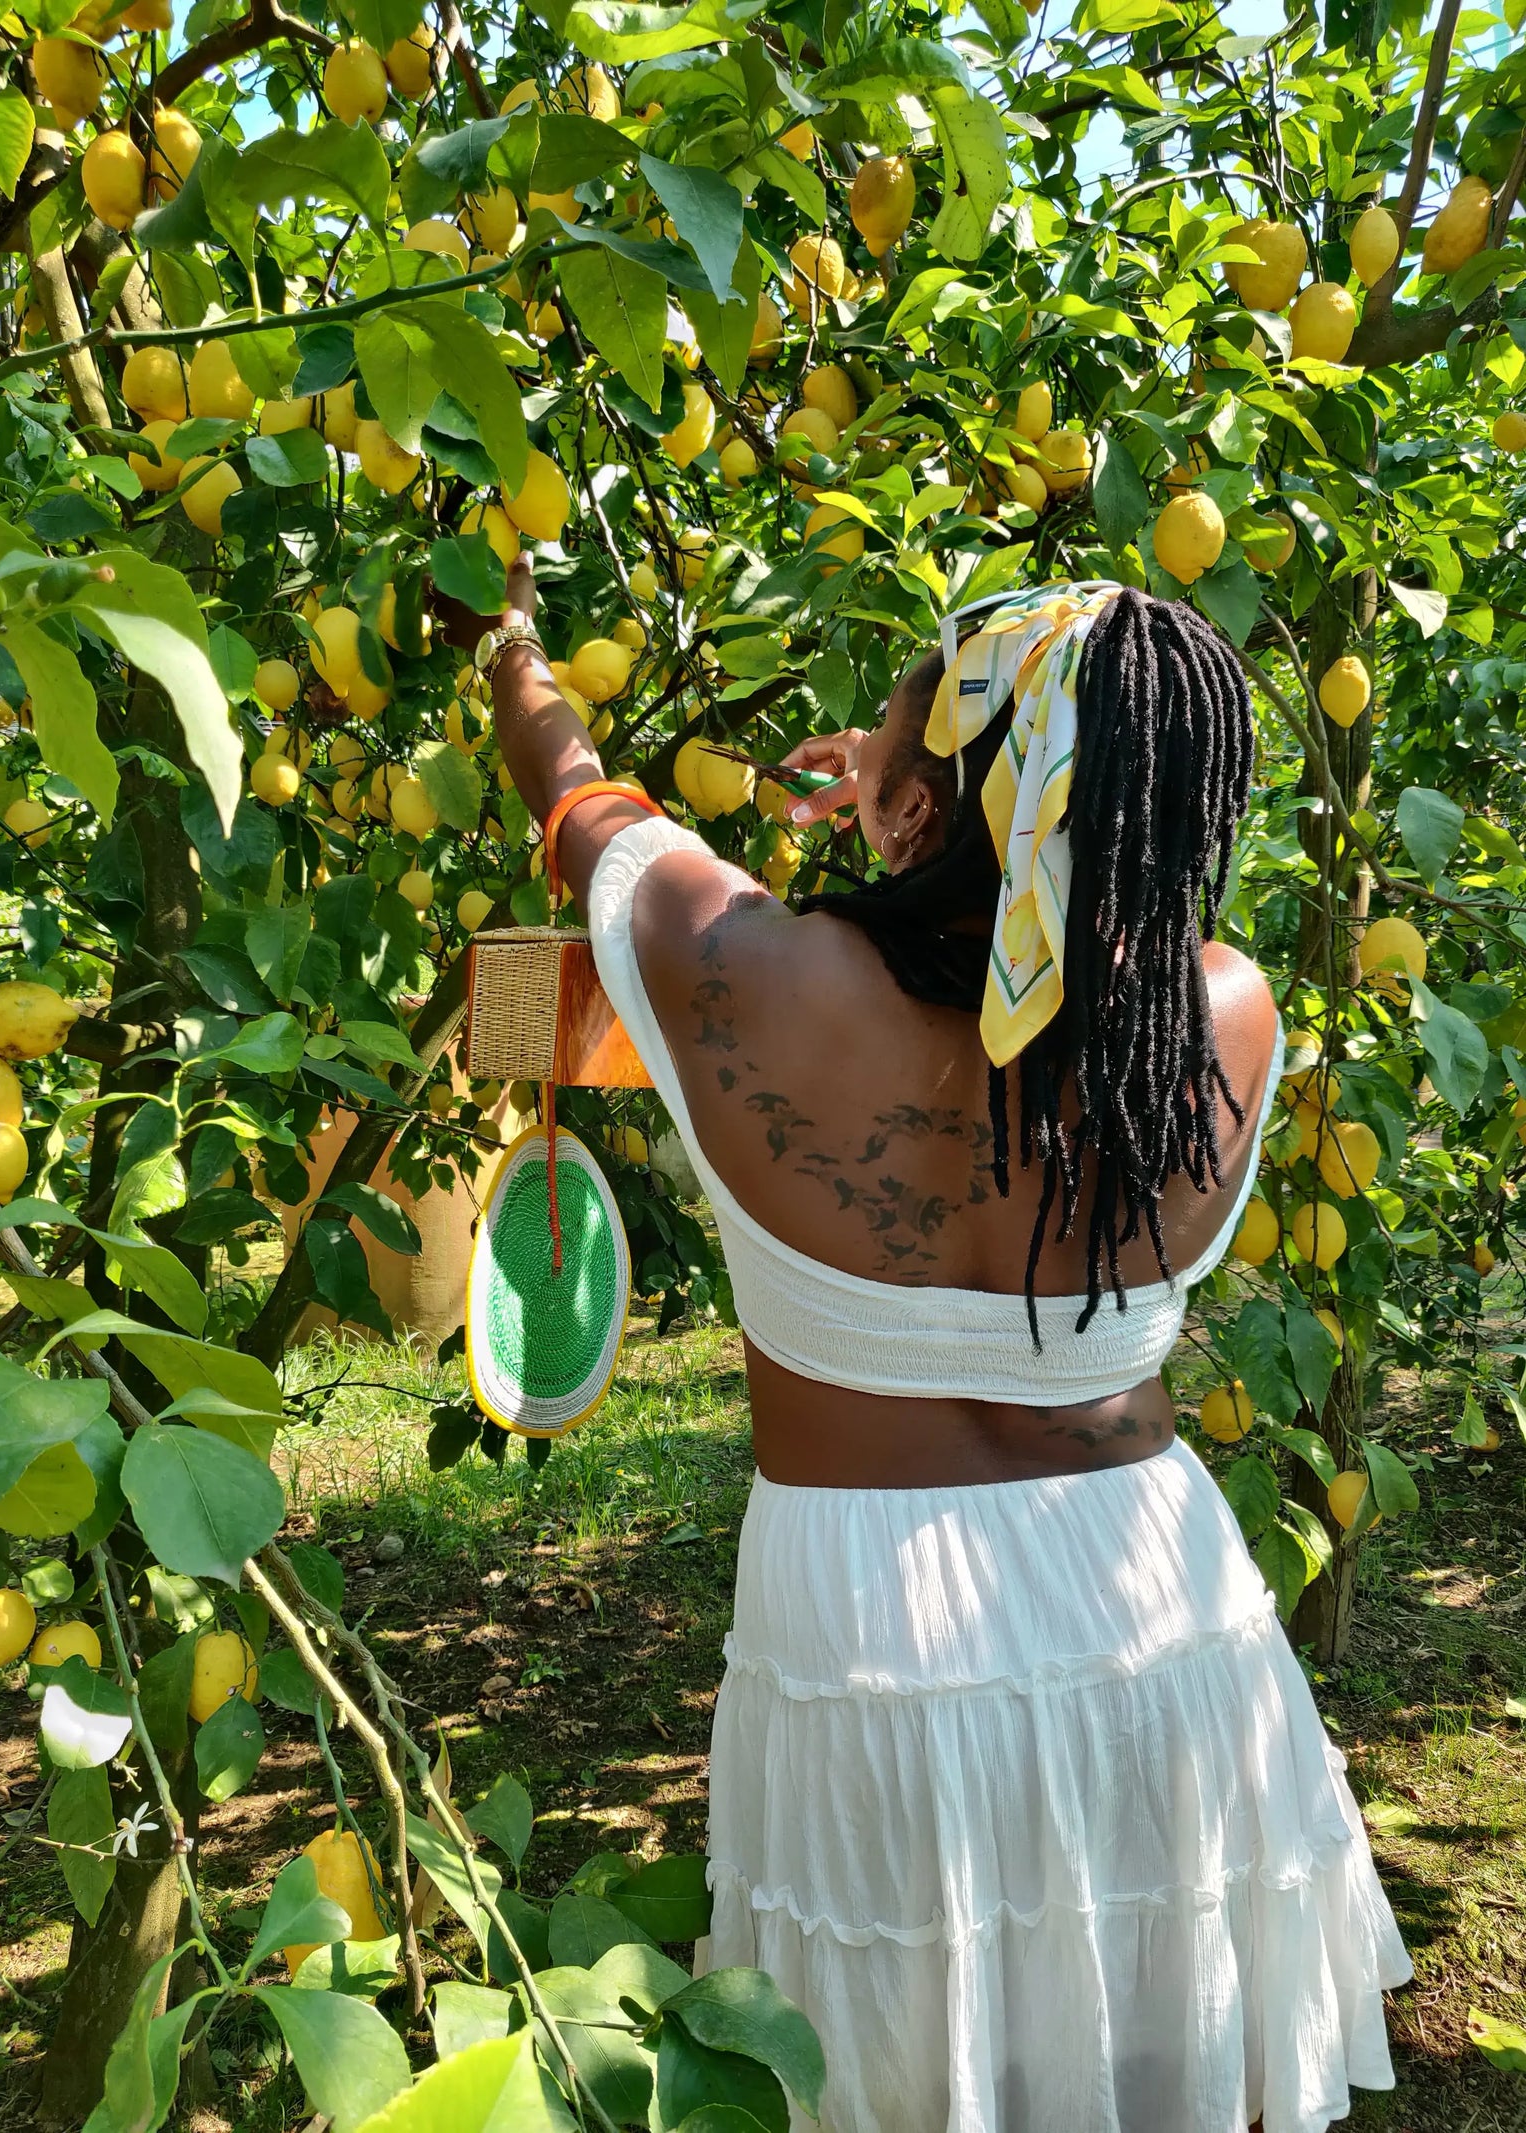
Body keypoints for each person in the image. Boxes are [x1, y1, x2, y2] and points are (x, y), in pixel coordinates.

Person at [481, 560, 1410, 2133]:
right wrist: (922, 799)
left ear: (929, 793)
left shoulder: (745, 968)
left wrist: (512, 649)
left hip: (874, 1636)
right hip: (1156, 1616)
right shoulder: (1223, 1018)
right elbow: (1037, 934)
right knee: (1170, 2063)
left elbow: (575, 800)